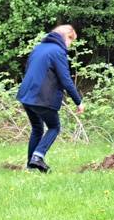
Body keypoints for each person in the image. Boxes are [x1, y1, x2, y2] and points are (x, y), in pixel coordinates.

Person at [16, 25, 84, 172]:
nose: (70, 45)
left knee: (37, 128)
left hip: (26, 96)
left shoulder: (38, 48)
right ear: (66, 37)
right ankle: (37, 157)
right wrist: (78, 102)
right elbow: (66, 80)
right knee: (54, 127)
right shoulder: (58, 51)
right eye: (71, 41)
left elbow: (28, 70)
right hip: (42, 98)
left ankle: (31, 166)